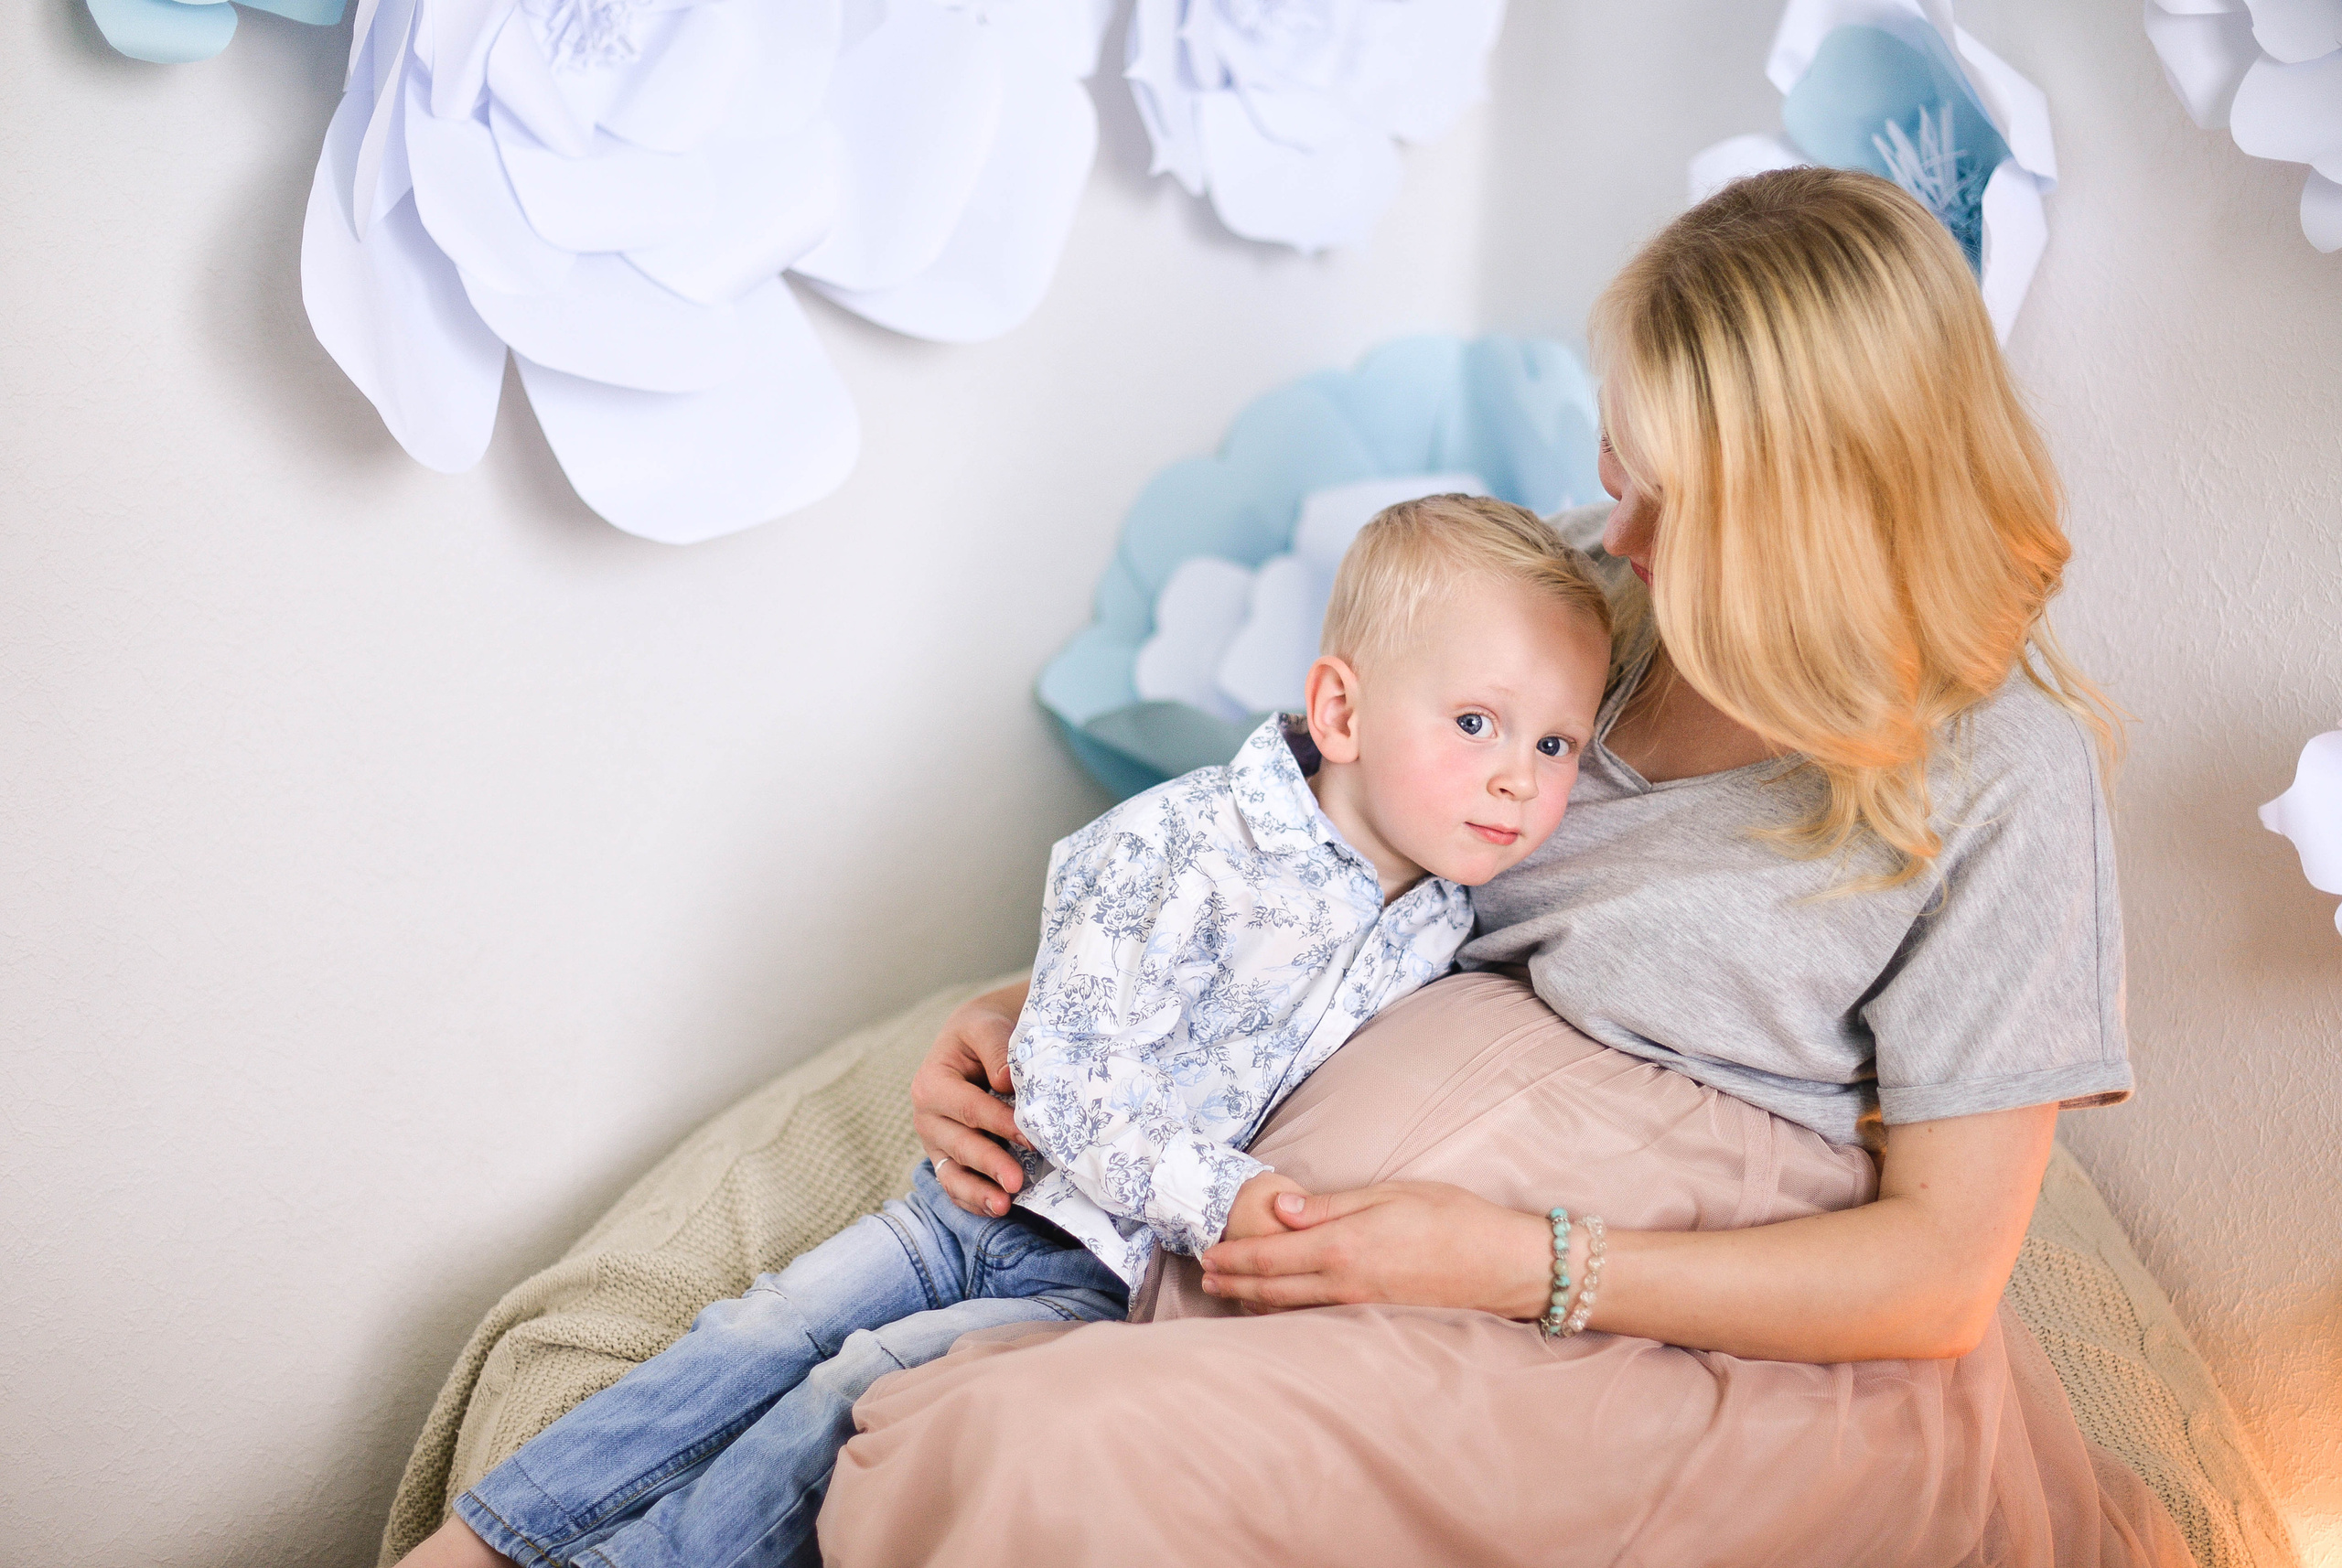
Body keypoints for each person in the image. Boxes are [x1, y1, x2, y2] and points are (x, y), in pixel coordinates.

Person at [816, 168, 2190, 1567]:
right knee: (898, 1420)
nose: (1621, 529)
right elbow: (1325, 852)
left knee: (1043, 1457)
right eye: (1623, 459)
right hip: (1356, 1253)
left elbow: (1937, 1279)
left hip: (1672, 1349)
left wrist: (1507, 1257)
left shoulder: (2002, 775)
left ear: (1828, 518)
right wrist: (1048, 1010)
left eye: (1681, 500)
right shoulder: (1594, 596)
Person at [392, 495, 1615, 1568]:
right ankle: (495, 1531)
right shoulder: (1175, 849)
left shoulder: (1446, 920)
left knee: (852, 1395)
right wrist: (1226, 1193)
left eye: (1555, 743)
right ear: (1339, 710)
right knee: (761, 1328)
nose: (1521, 778)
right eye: (1476, 723)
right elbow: (1070, 1078)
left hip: (1106, 1283)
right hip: (983, 1202)